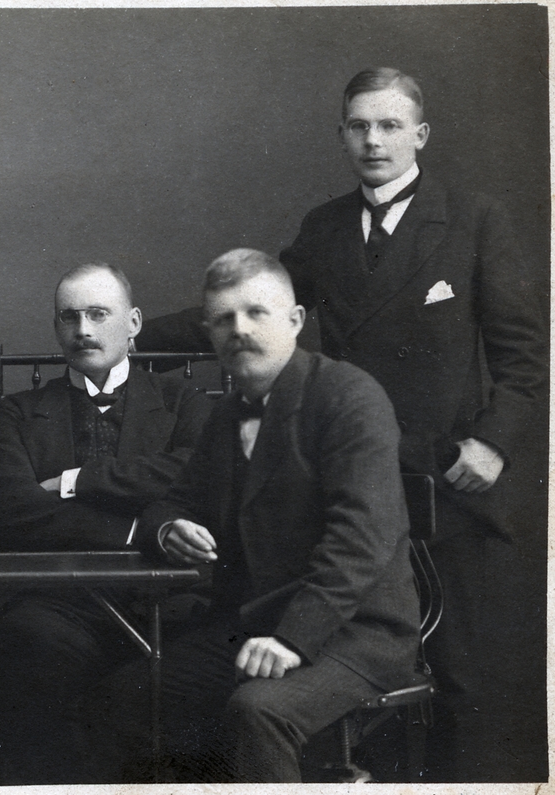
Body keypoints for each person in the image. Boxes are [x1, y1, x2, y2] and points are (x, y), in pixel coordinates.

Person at [136, 68, 548, 781]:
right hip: (342, 465)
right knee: (314, 672)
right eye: (359, 126)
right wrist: (131, 335)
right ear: (342, 136)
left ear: (420, 134)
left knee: (461, 680)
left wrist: (492, 442)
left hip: (443, 479)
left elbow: (524, 354)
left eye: (390, 125)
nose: (374, 141)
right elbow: (254, 306)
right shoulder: (325, 228)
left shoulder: (473, 218)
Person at [92, 248, 419, 783]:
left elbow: (361, 540)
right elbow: (171, 502)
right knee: (126, 697)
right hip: (254, 625)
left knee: (258, 710)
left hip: (355, 633)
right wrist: (169, 528)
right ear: (209, 333)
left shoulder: (349, 397)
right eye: (223, 319)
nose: (238, 330)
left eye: (255, 313)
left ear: (295, 320)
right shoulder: (226, 415)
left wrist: (292, 639)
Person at [0, 262, 209, 783]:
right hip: (60, 600)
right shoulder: (18, 412)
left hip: (165, 597)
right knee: (28, 649)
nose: (82, 330)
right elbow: (10, 508)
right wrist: (135, 529)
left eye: (99, 314)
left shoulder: (182, 403)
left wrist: (75, 481)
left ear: (134, 323)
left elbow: (197, 477)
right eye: (69, 317)